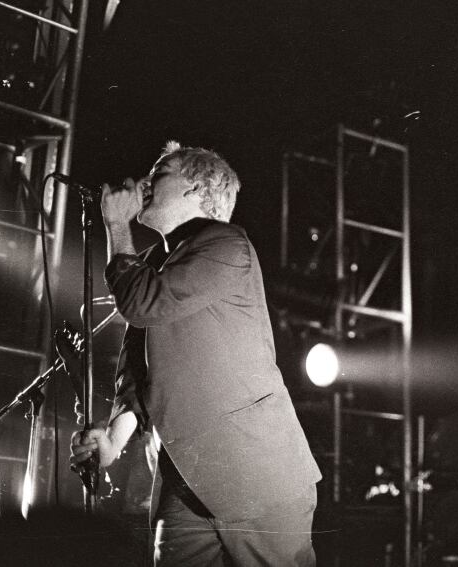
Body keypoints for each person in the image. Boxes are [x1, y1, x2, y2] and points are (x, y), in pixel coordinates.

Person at [70, 141, 321, 566]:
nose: (146, 181)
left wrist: (116, 225)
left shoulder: (226, 244)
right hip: (188, 477)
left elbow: (143, 302)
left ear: (196, 189)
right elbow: (137, 372)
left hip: (255, 473)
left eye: (161, 171)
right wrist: (114, 438)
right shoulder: (155, 263)